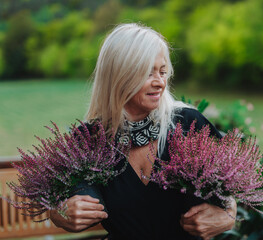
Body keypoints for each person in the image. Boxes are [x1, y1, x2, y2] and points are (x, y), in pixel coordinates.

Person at [50, 23, 236, 240]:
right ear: (118, 75)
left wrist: (229, 214)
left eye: (163, 71)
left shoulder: (190, 125)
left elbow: (230, 191)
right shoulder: (88, 139)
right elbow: (58, 201)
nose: (160, 82)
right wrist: (59, 212)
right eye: (147, 73)